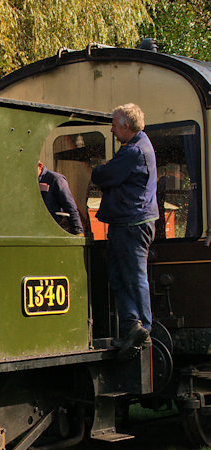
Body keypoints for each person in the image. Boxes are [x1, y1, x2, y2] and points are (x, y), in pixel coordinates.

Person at [91, 103, 159, 359]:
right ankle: (132, 326)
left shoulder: (133, 152)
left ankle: (143, 325)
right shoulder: (140, 146)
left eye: (114, 125)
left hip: (132, 223)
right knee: (120, 277)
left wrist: (99, 171)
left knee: (134, 276)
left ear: (126, 126)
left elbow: (104, 175)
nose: (111, 130)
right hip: (126, 223)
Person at [38, 162, 84, 235]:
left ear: (40, 166)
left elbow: (70, 207)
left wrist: (78, 232)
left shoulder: (56, 179)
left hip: (53, 230)